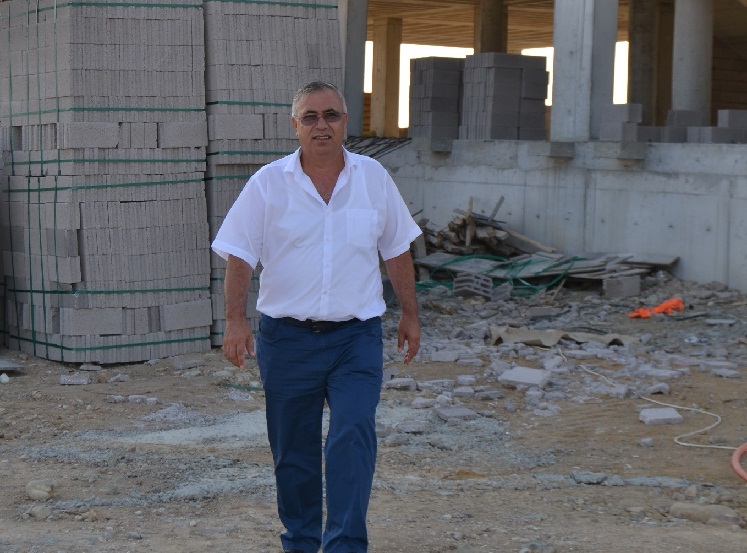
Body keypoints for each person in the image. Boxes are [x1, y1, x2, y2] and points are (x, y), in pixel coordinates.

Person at [211, 81, 422, 553]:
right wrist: (235, 321)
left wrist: (410, 313)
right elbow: (240, 255)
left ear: (345, 122)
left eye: (331, 115)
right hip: (287, 341)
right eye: (310, 116)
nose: (321, 125)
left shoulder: (373, 178)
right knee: (294, 451)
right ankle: (302, 542)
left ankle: (345, 544)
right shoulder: (267, 184)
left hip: (356, 339)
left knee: (353, 434)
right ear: (295, 126)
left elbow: (396, 248)